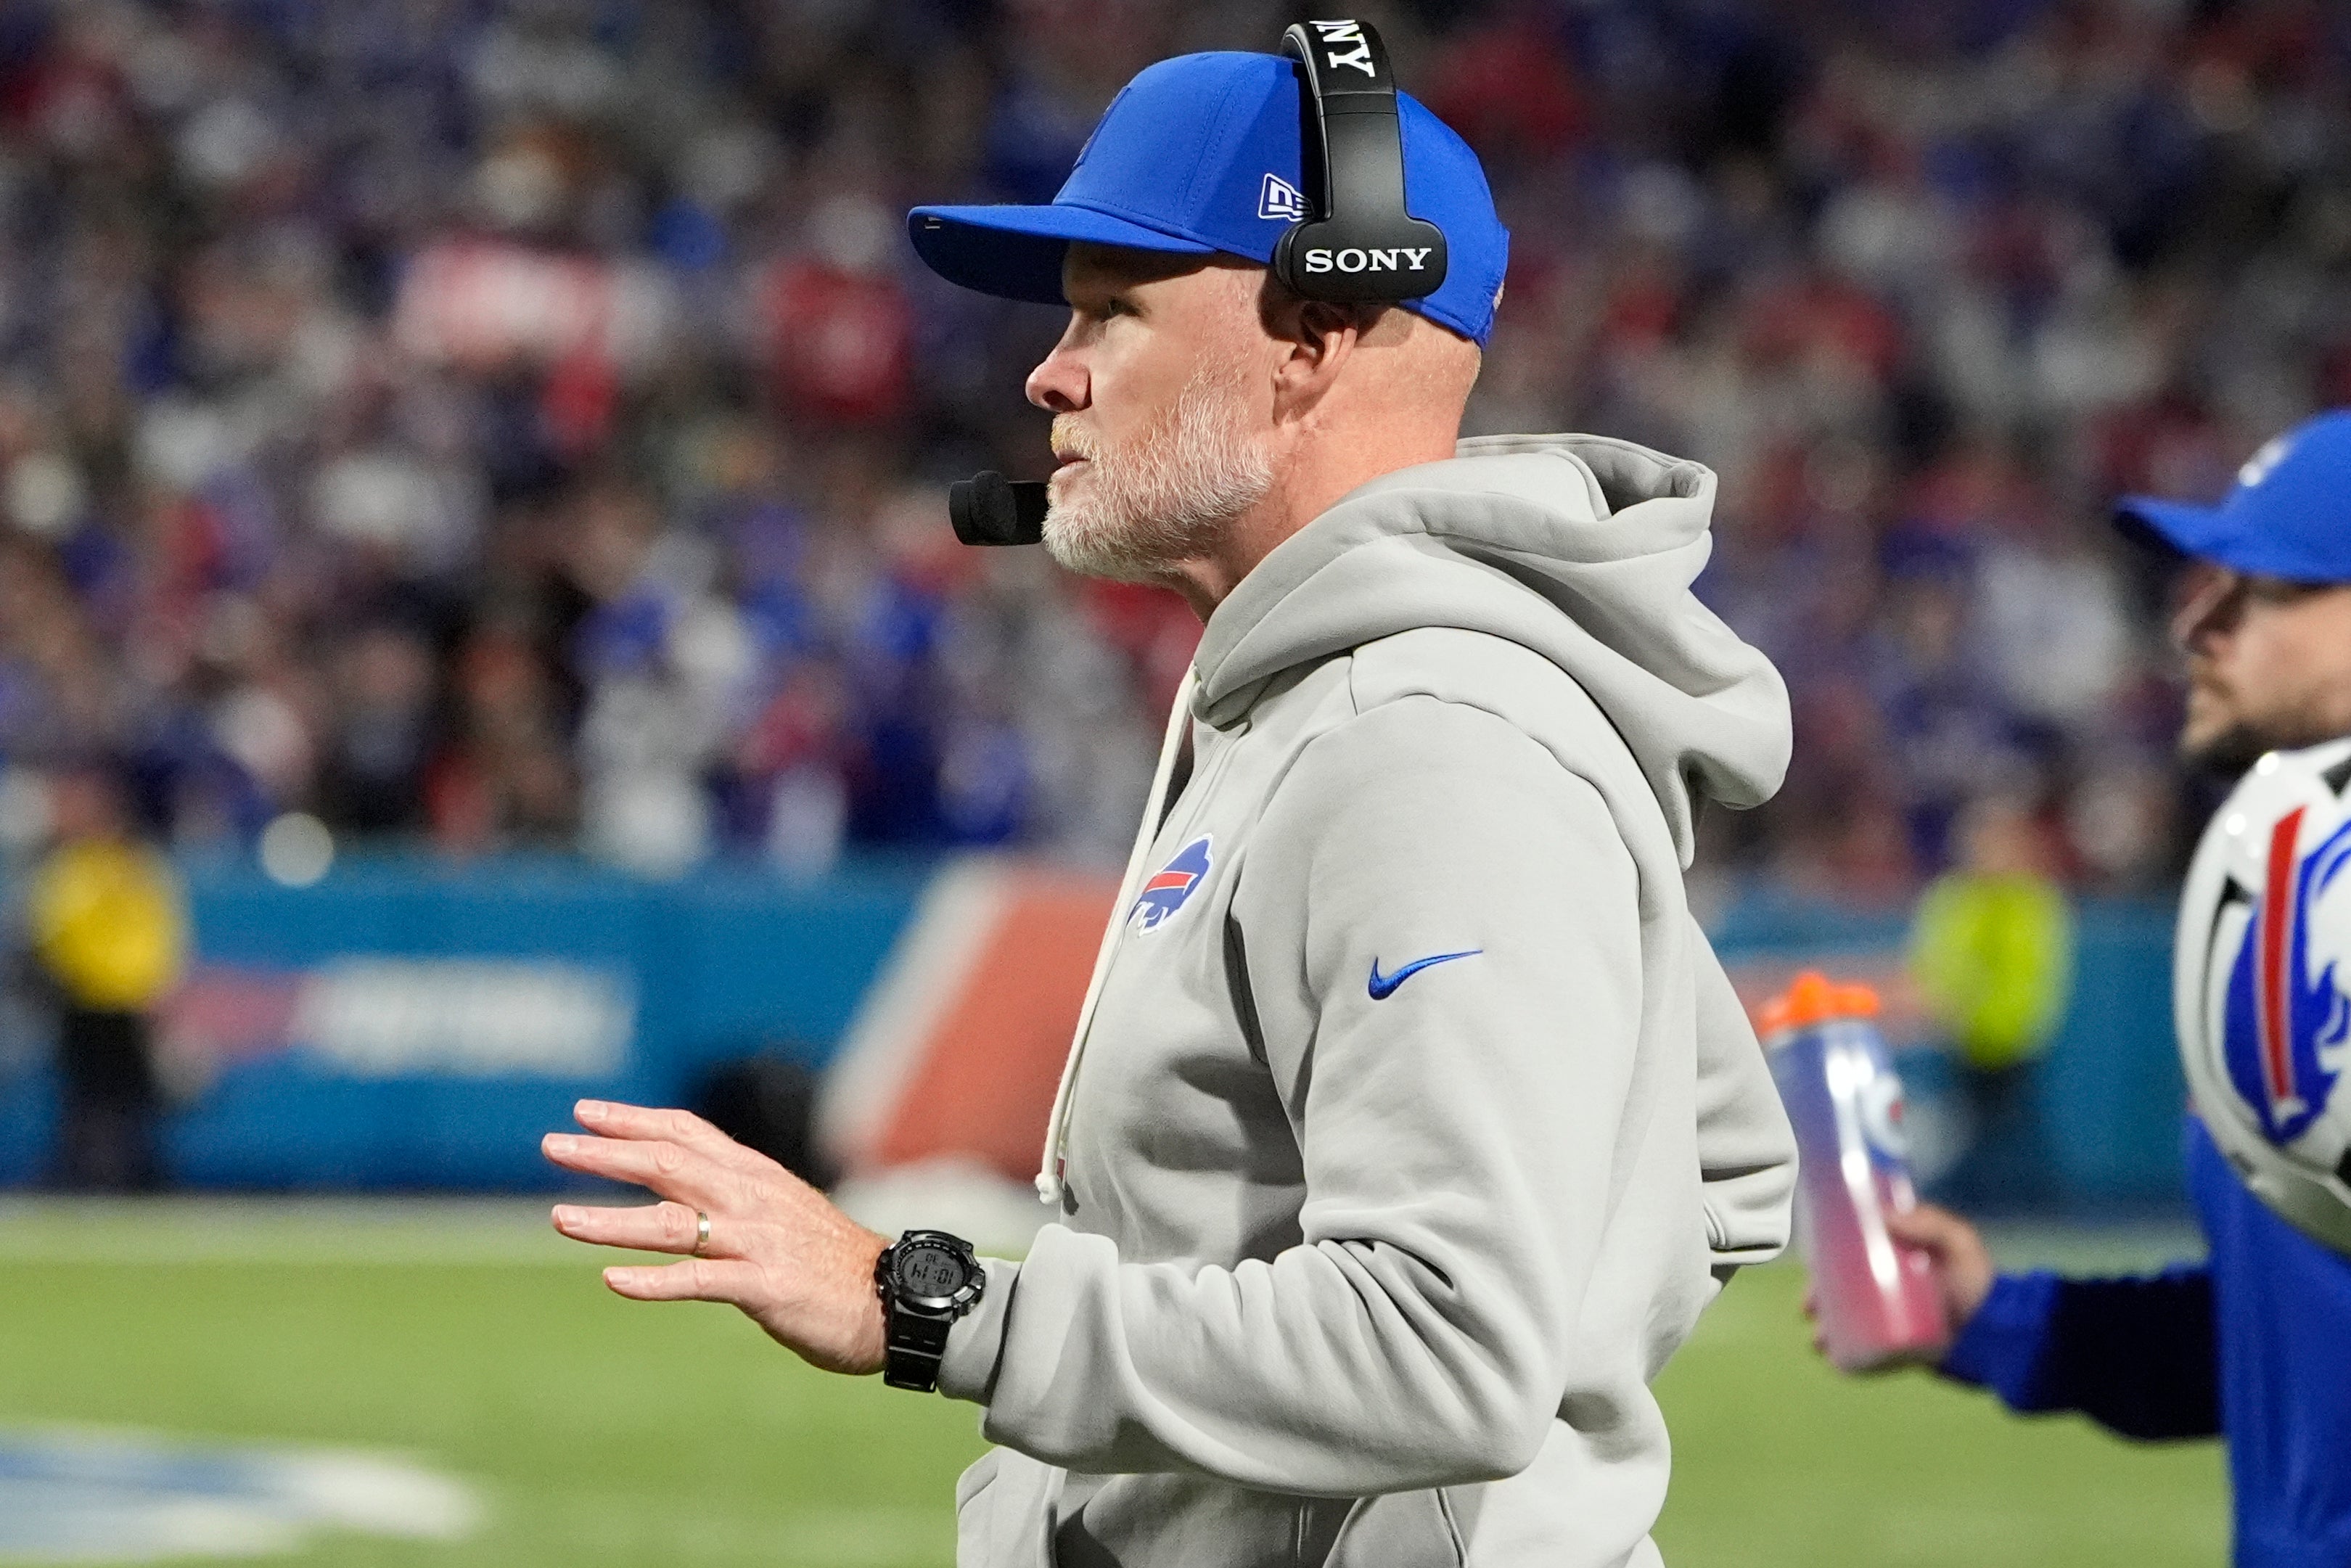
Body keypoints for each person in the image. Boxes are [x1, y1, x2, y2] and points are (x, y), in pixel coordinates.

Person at [543, 40, 1800, 1567]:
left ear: (1314, 335)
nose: (1049, 373)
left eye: (1113, 310)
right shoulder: (1339, 701)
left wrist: (921, 1307)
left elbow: (1451, 1342)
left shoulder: (1429, 740)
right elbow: (1724, 1164)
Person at [1885, 411, 2351, 1568]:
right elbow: (2288, 1349)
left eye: (2265, 590)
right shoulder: (2294, 895)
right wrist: (1999, 1319)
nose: (2197, 623)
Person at [28, 765, 188, 1191]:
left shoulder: (133, 866)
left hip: (125, 999)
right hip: (82, 998)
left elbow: (158, 931)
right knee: (86, 1095)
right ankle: (85, 1175)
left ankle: (130, 1177)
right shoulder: (70, 867)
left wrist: (151, 983)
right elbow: (52, 933)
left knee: (128, 1096)